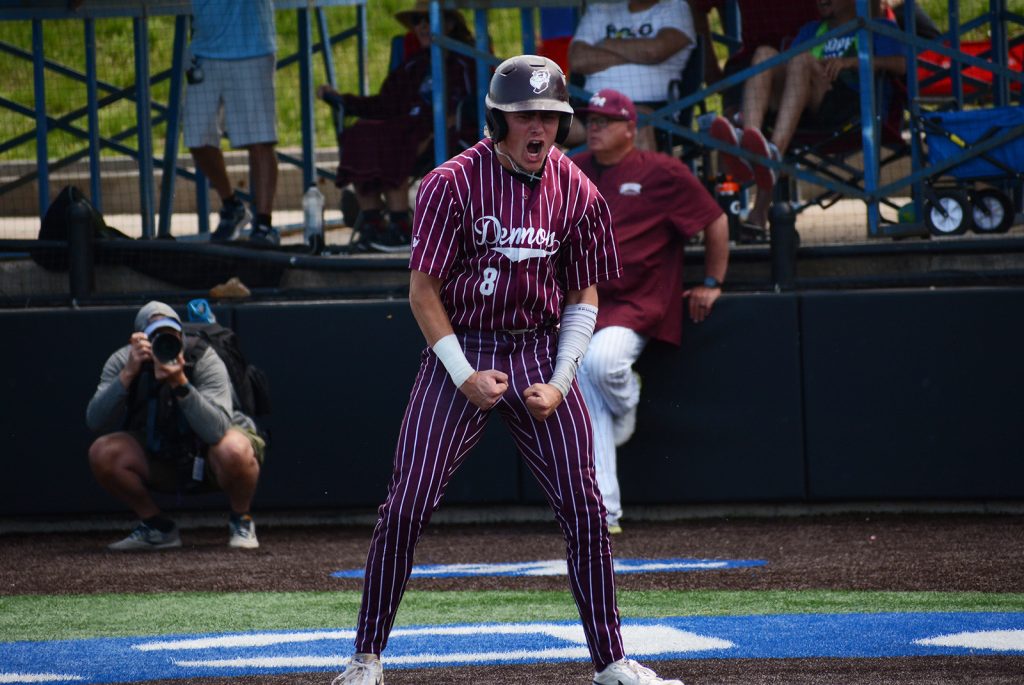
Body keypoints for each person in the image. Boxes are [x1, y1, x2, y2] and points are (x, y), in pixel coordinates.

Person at [330, 55, 685, 685]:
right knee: (407, 504)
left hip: (541, 350)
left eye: (549, 114)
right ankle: (365, 658)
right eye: (526, 113)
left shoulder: (578, 189)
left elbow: (583, 296)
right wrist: (464, 372)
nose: (539, 126)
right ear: (498, 119)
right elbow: (422, 292)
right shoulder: (449, 183)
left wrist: (563, 375)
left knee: (585, 505)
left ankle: (611, 661)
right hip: (460, 349)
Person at [572, 89, 729, 534]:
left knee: (600, 364)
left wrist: (713, 282)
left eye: (606, 119)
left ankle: (628, 399)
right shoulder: (572, 167)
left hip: (639, 302)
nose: (595, 126)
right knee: (585, 379)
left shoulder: (662, 171)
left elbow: (714, 220)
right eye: (591, 119)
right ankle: (604, 513)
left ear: (630, 128)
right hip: (583, 301)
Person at [710, 0, 907, 232]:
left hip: (851, 107)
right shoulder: (811, 30)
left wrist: (851, 62)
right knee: (764, 53)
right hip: (803, 108)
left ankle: (770, 154)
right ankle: (753, 145)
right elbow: (785, 68)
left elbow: (902, 64)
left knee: (802, 60)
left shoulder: (877, 26)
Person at [86, 301, 265, 551]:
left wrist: (180, 383)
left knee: (234, 447)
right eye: (155, 336)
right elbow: (95, 420)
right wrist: (127, 374)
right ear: (139, 340)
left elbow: (216, 431)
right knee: (103, 452)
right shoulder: (124, 360)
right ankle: (156, 527)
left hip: (212, 455)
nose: (164, 344)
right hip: (160, 450)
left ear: (181, 334)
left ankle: (241, 520)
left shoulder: (202, 357)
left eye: (170, 335)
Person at [317, 0, 476, 253]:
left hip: (446, 138)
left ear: (449, 23)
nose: (422, 26)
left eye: (428, 19)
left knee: (396, 139)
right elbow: (384, 103)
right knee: (361, 134)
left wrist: (451, 120)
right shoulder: (412, 66)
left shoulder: (466, 61)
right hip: (405, 131)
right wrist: (343, 100)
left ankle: (401, 226)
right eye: (417, 21)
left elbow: (477, 101)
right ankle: (373, 221)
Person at [184, 0, 280, 246]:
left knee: (260, 140)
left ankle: (264, 224)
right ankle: (232, 206)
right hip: (204, 52)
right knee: (197, 138)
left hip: (253, 48)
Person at [568, 0, 696, 151]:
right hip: (590, 107)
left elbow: (655, 51)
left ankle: (635, 175)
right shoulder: (598, 9)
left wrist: (605, 43)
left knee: (635, 124)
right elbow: (577, 60)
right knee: (544, 124)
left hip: (653, 108)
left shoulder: (675, 7)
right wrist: (638, 53)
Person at [689, 0, 820, 121]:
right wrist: (712, 75)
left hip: (814, 60)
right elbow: (697, 6)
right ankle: (741, 129)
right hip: (752, 64)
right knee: (761, 58)